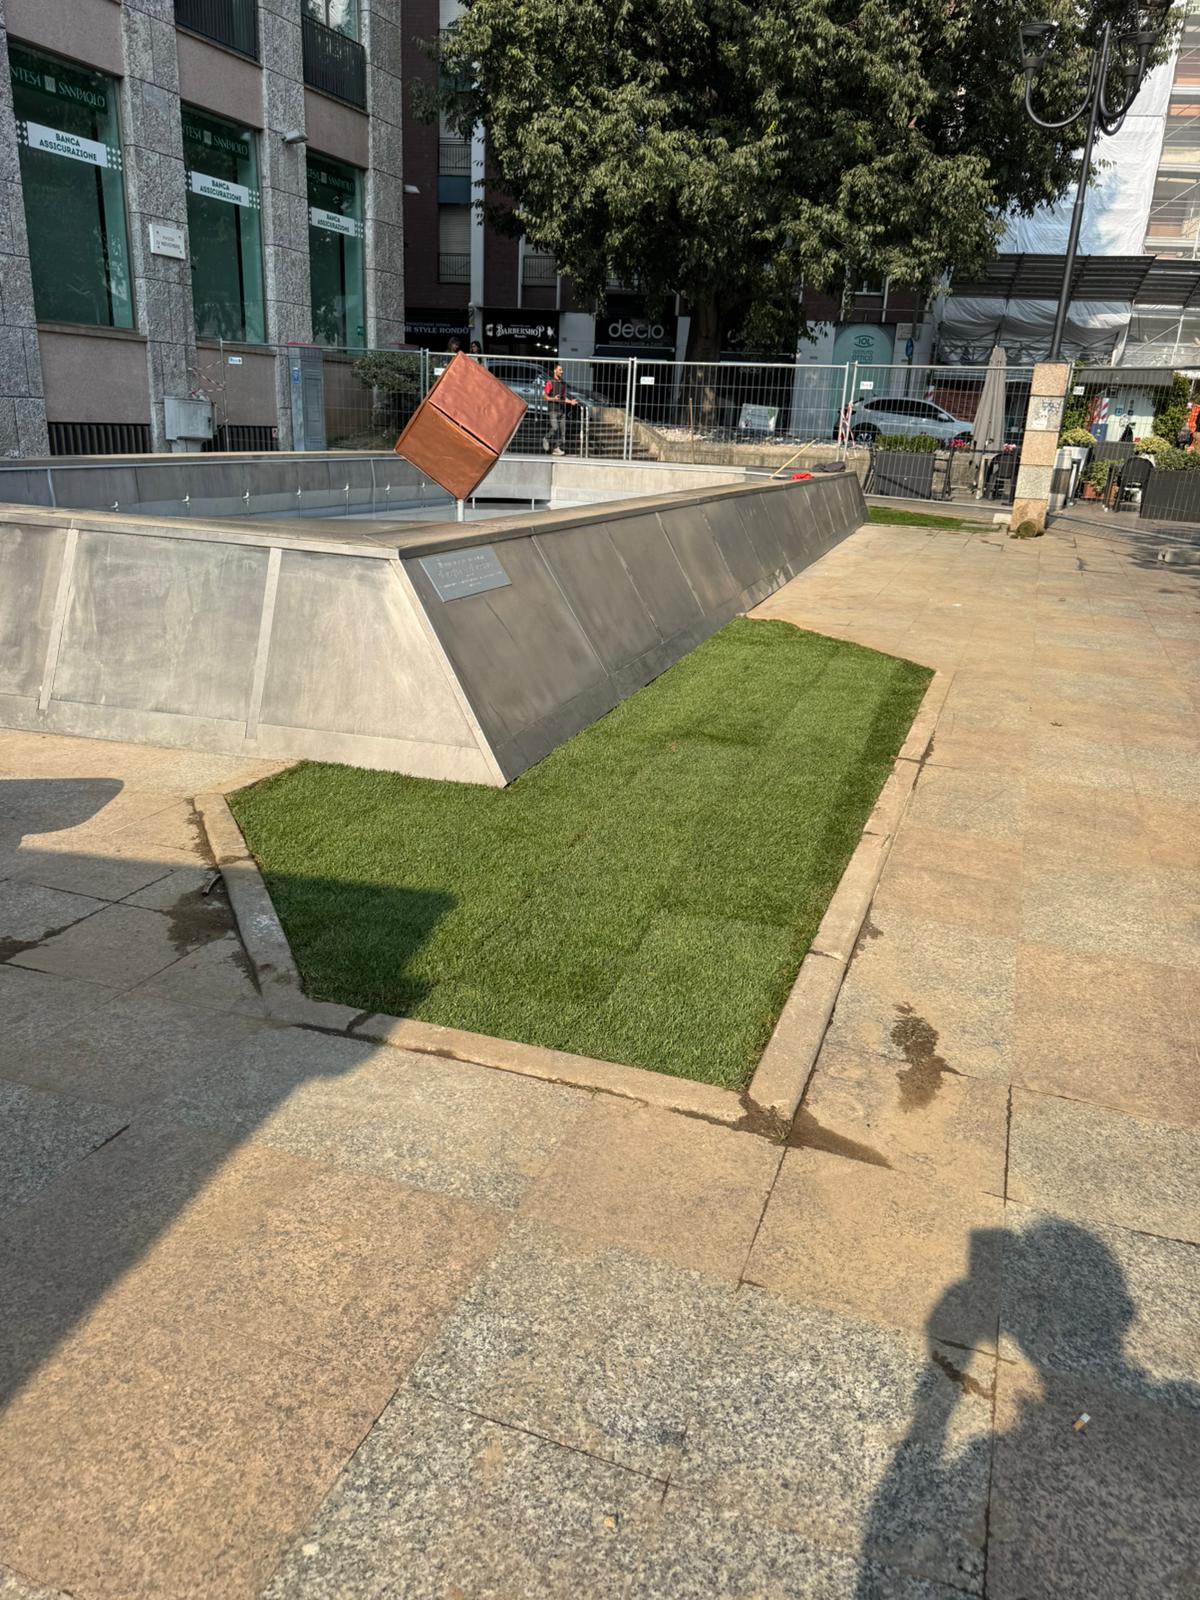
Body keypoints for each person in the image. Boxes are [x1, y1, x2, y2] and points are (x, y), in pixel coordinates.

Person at [542, 364, 577, 456]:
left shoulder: (563, 384)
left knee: (563, 434)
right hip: (553, 410)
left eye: (562, 370)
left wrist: (570, 402)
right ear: (554, 370)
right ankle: (546, 438)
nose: (562, 372)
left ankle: (556, 449)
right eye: (560, 370)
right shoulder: (550, 382)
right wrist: (553, 398)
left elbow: (563, 398)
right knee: (555, 428)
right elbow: (545, 397)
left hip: (562, 411)